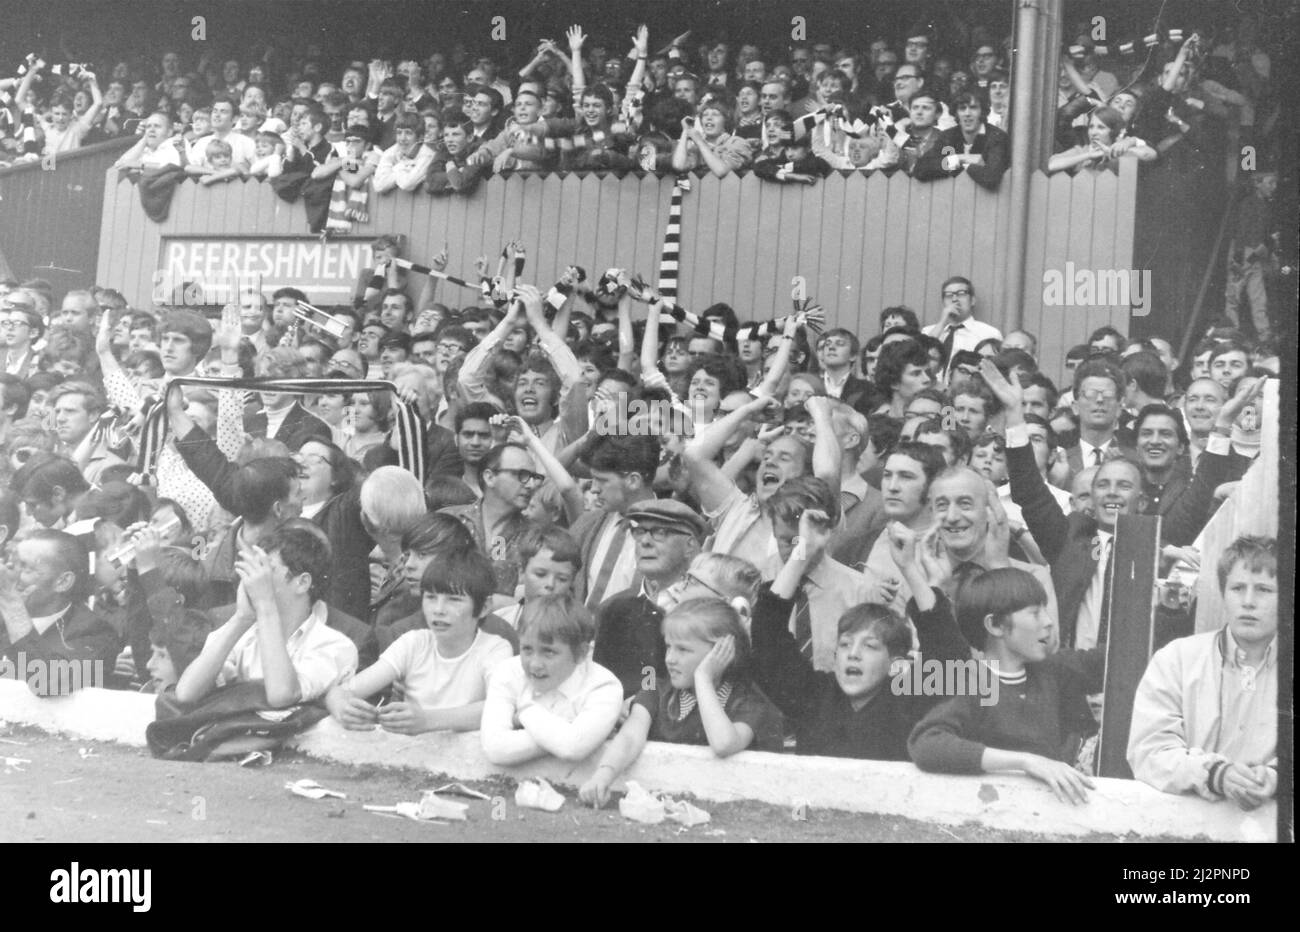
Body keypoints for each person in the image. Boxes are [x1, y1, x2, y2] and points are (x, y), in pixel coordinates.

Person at [907, 568, 1102, 805]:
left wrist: (1162, 607)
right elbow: (926, 743)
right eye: (1035, 613)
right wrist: (1026, 761)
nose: (1049, 622)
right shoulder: (973, 684)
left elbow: (1112, 659)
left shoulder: (1053, 670)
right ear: (996, 626)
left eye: (1045, 610)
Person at [579, 598, 784, 807]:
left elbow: (723, 744)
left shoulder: (748, 701)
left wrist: (703, 678)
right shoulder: (654, 689)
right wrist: (603, 775)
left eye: (683, 650)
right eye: (668, 647)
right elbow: (630, 736)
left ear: (723, 651)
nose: (670, 658)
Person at [1127, 536, 1277, 807]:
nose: (1248, 601)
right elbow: (1149, 752)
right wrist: (1215, 775)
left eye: (1264, 590)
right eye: (1238, 588)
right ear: (1223, 594)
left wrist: (1277, 776)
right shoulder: (1177, 659)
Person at [325, 547, 511, 734]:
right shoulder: (414, 643)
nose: (438, 609)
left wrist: (427, 720)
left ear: (484, 607)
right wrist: (342, 708)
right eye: (430, 597)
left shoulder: (494, 649)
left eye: (453, 600)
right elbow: (341, 691)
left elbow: (502, 706)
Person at [175, 524, 358, 708]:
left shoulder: (334, 646)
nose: (253, 578)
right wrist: (242, 618)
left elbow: (282, 694)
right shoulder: (243, 634)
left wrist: (265, 605)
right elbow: (186, 693)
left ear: (302, 583)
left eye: (265, 569)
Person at [480, 594, 623, 765]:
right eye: (527, 649)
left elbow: (572, 748)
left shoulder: (604, 686)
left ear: (581, 653)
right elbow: (496, 749)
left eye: (549, 652)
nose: (535, 664)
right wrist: (567, 733)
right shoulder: (508, 672)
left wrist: (524, 713)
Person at [592, 499, 708, 697]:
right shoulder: (613, 608)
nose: (645, 541)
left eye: (660, 532)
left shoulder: (703, 612)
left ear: (690, 546)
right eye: (640, 531)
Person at [0, 530, 123, 694]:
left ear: (63, 582)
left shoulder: (96, 634)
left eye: (24, 567)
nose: (8, 574)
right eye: (10, 564)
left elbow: (47, 682)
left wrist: (10, 598)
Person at [922, 276, 1003, 361]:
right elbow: (919, 355)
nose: (954, 299)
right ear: (943, 302)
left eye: (961, 294)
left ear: (972, 300)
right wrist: (942, 322)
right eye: (948, 295)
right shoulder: (928, 331)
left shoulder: (989, 333)